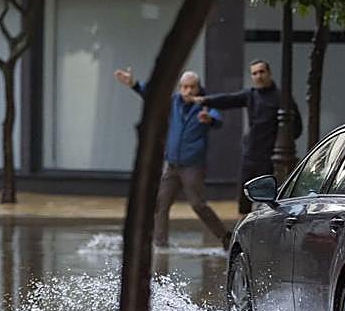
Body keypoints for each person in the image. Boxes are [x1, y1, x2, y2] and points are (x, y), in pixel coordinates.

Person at [114, 66, 230, 249]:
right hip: (172, 165)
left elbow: (217, 120)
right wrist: (134, 84)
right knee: (161, 204)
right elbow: (152, 95)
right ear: (179, 88)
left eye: (192, 87)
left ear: (199, 87)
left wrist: (210, 119)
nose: (188, 91)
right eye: (184, 87)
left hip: (192, 165)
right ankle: (160, 244)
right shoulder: (173, 102)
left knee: (198, 205)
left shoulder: (205, 103)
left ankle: (225, 237)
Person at [192, 59, 301, 214]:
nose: (258, 76)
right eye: (254, 73)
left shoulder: (281, 97)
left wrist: (280, 144)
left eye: (262, 72)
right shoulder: (251, 95)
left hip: (271, 157)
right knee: (244, 196)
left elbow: (296, 127)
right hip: (250, 153)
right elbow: (229, 99)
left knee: (267, 200)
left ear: (269, 73)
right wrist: (204, 100)